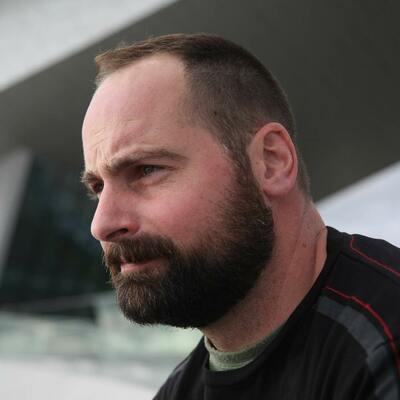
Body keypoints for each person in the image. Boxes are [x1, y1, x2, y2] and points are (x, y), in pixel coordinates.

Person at [81, 33, 400, 399]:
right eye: (98, 187)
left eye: (147, 170)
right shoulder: (177, 392)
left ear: (271, 162)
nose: (101, 225)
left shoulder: (384, 341)